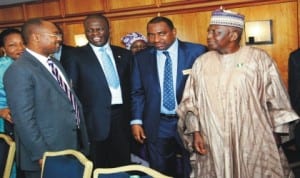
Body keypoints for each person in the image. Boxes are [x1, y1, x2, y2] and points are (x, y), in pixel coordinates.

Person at [177, 8, 299, 178]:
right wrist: (196, 132)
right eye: (209, 31)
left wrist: (277, 133)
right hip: (213, 137)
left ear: (233, 36)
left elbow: (277, 98)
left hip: (254, 137)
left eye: (215, 32)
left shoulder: (258, 59)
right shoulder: (201, 63)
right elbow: (190, 102)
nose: (209, 36)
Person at [3, 18, 89, 178]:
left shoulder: (54, 63)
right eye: (54, 34)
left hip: (70, 145)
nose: (60, 38)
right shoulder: (19, 70)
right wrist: (41, 154)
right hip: (47, 154)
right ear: (36, 37)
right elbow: (24, 119)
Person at [131, 16, 206, 178]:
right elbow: (138, 92)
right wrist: (136, 121)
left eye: (161, 34)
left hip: (190, 122)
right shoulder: (141, 58)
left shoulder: (197, 52)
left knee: (193, 167)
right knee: (160, 170)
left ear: (174, 32)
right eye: (151, 35)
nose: (156, 39)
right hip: (158, 123)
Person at [61, 14, 133, 168]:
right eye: (90, 31)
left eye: (99, 29)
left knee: (123, 163)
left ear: (109, 30)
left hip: (122, 119)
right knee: (98, 165)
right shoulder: (74, 55)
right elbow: (71, 93)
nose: (95, 34)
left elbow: (132, 88)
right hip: (93, 121)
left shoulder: (125, 54)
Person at [0, 28, 25, 178]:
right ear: (3, 49)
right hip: (4, 125)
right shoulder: (2, 67)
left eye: (22, 43)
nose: (20, 48)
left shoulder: (28, 64)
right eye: (12, 45)